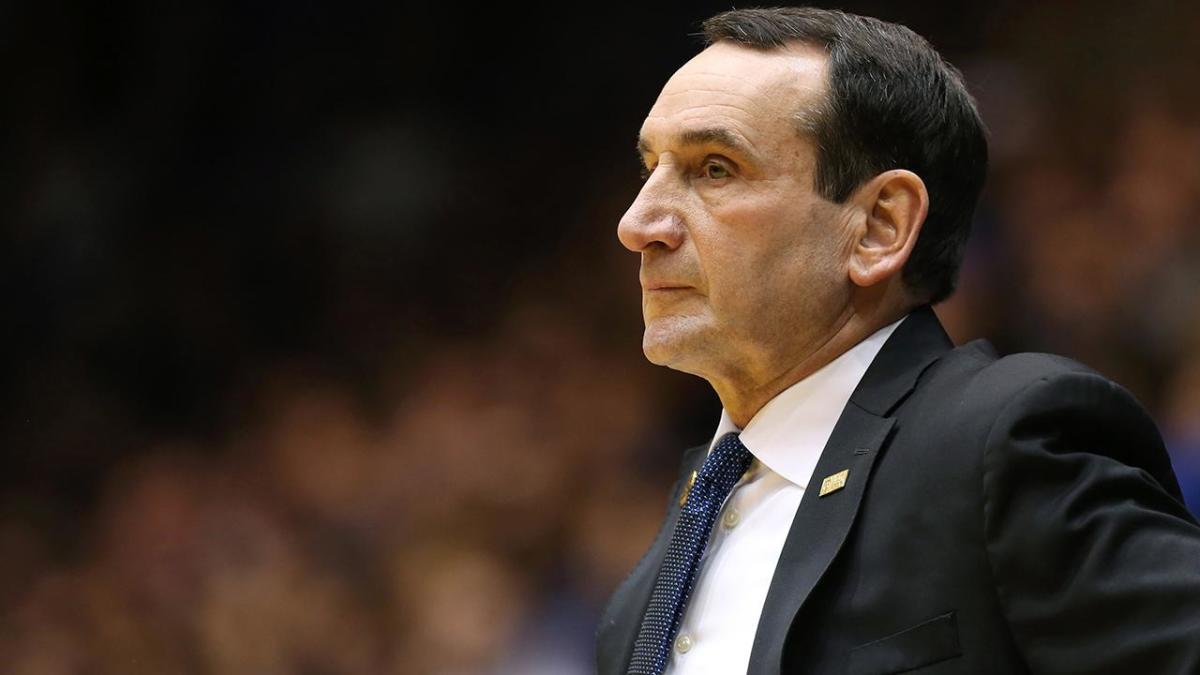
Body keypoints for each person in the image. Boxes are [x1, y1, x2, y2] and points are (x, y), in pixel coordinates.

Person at [596, 7, 1200, 675]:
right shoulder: (646, 587)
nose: (638, 223)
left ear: (879, 227)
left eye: (715, 168)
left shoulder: (1002, 442)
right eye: (650, 169)